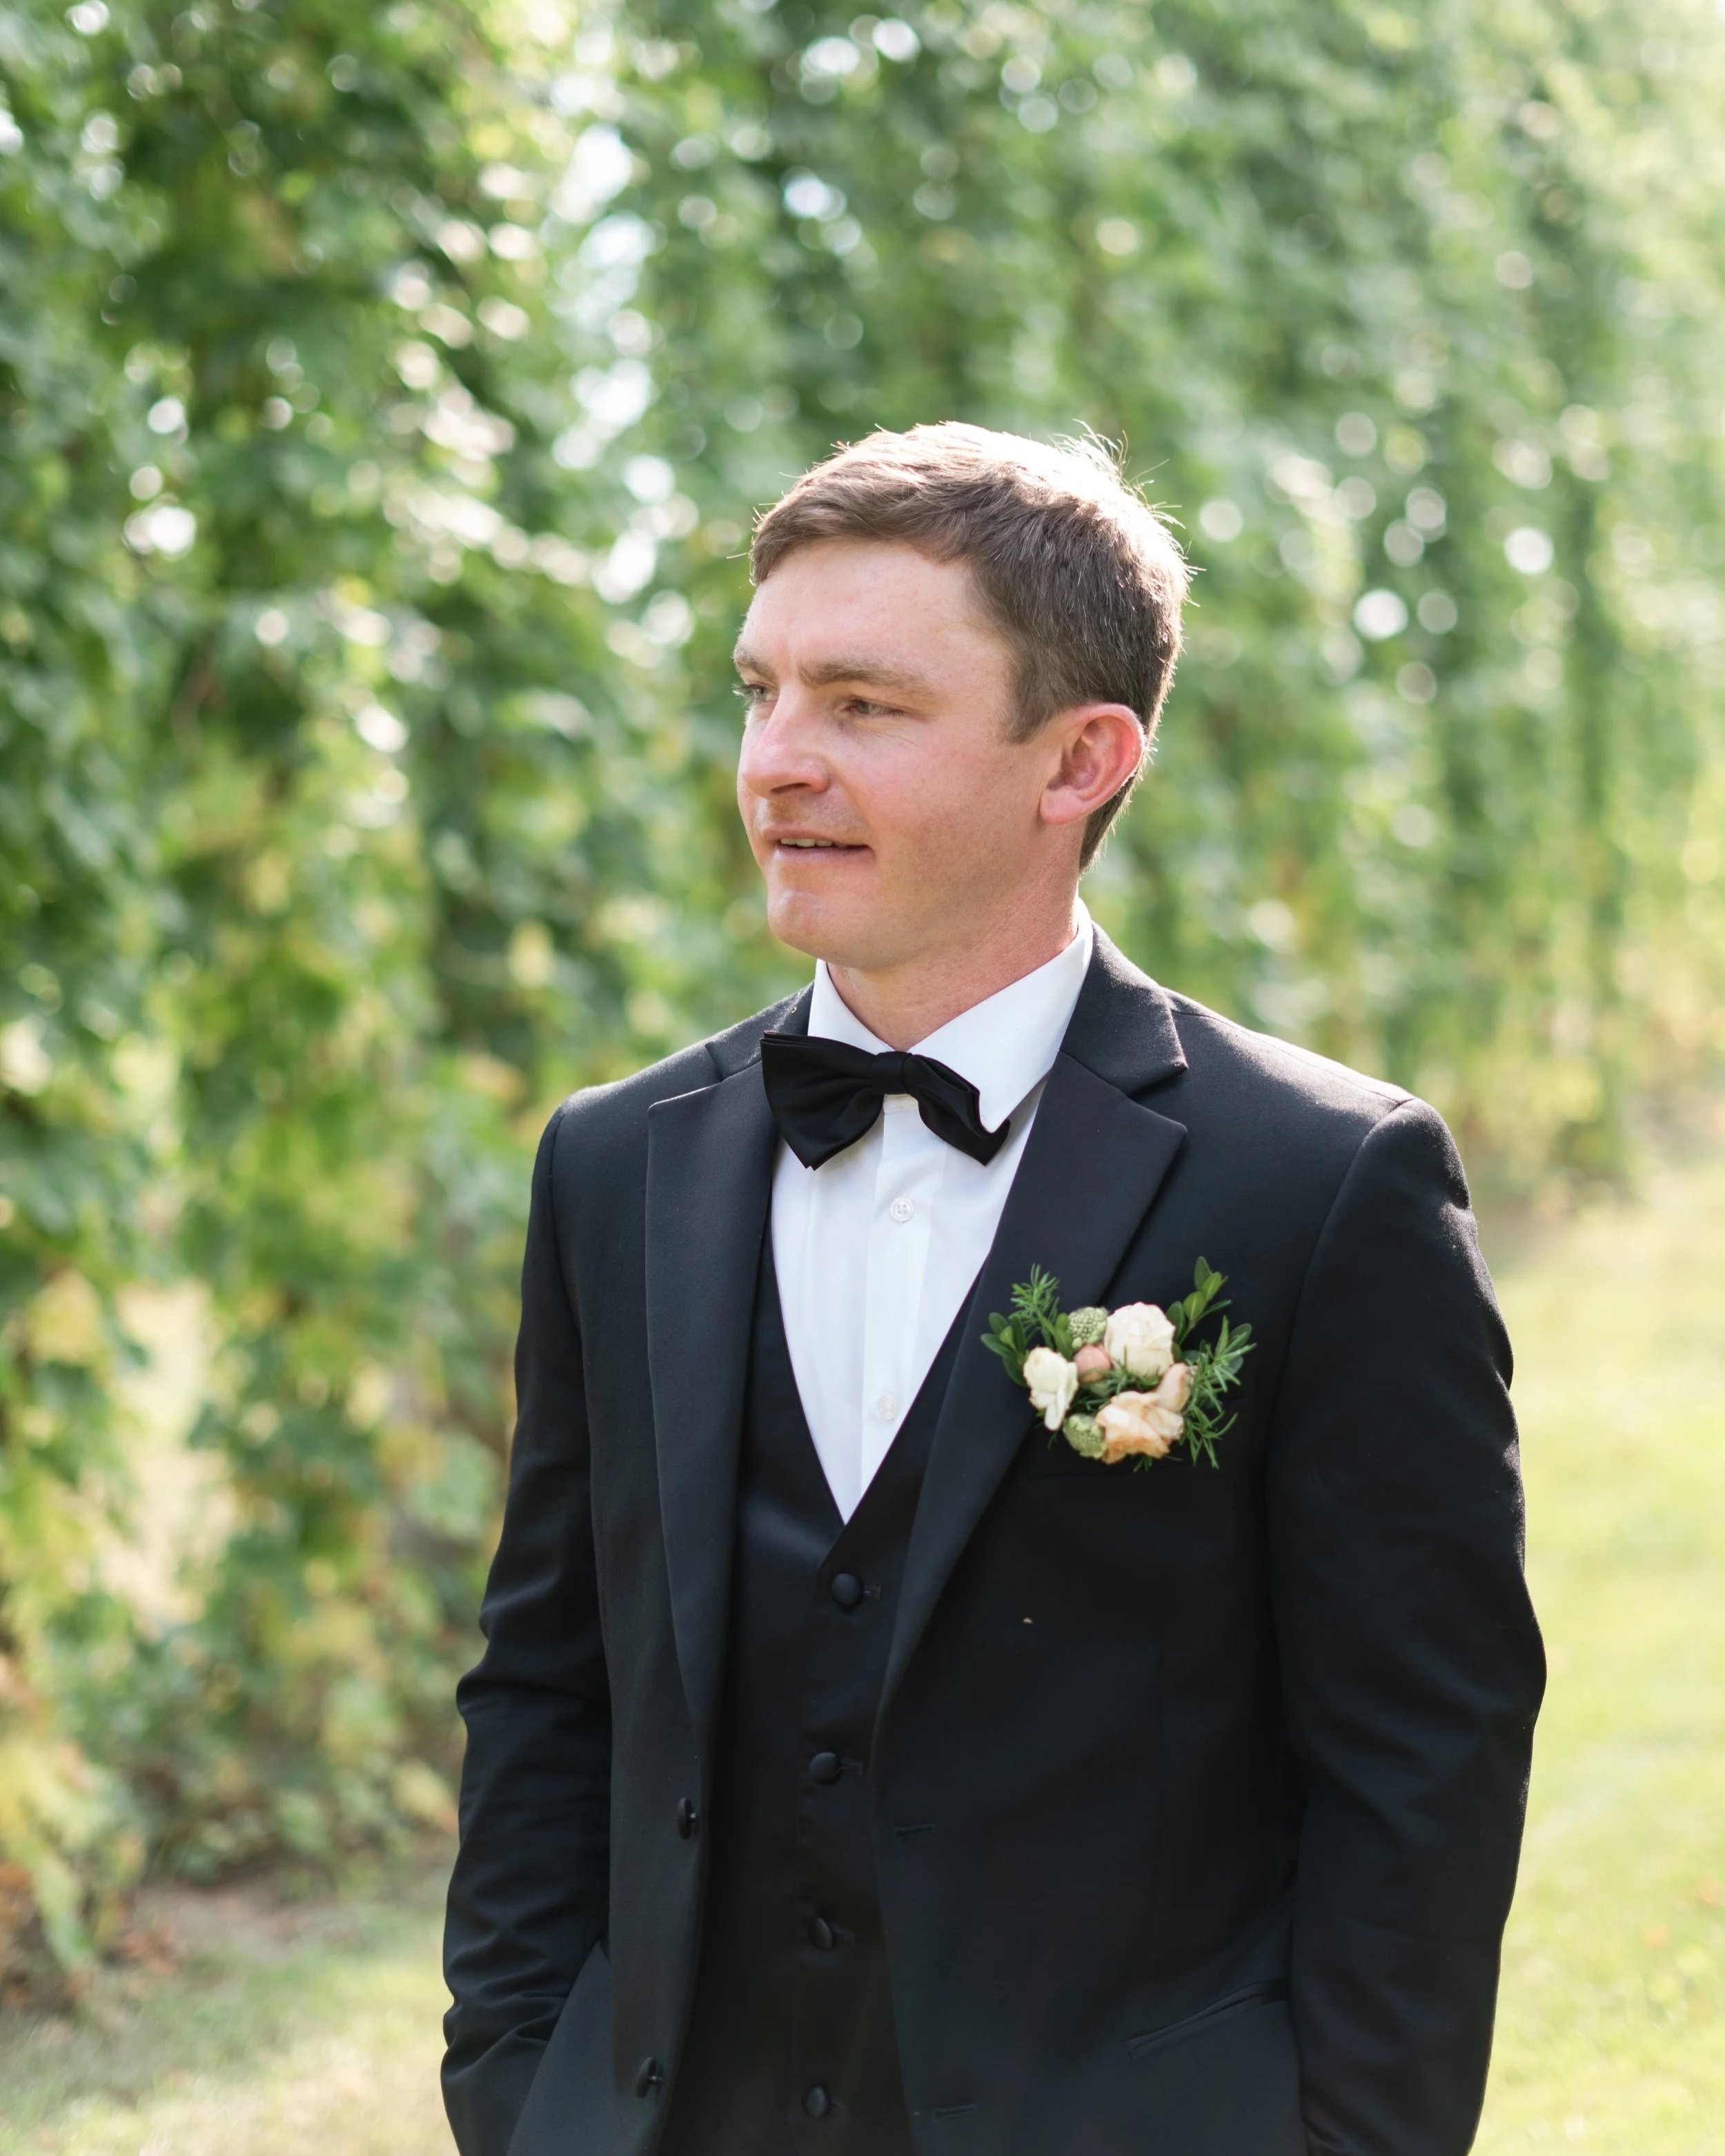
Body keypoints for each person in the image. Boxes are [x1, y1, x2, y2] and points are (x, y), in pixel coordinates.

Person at [441, 423, 1544, 2156]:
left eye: (863, 707)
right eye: (761, 693)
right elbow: (548, 1683)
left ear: (1078, 761)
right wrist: (518, 2086)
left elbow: (1423, 1761)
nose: (776, 765)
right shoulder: (614, 1160)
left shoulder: (1319, 1183)